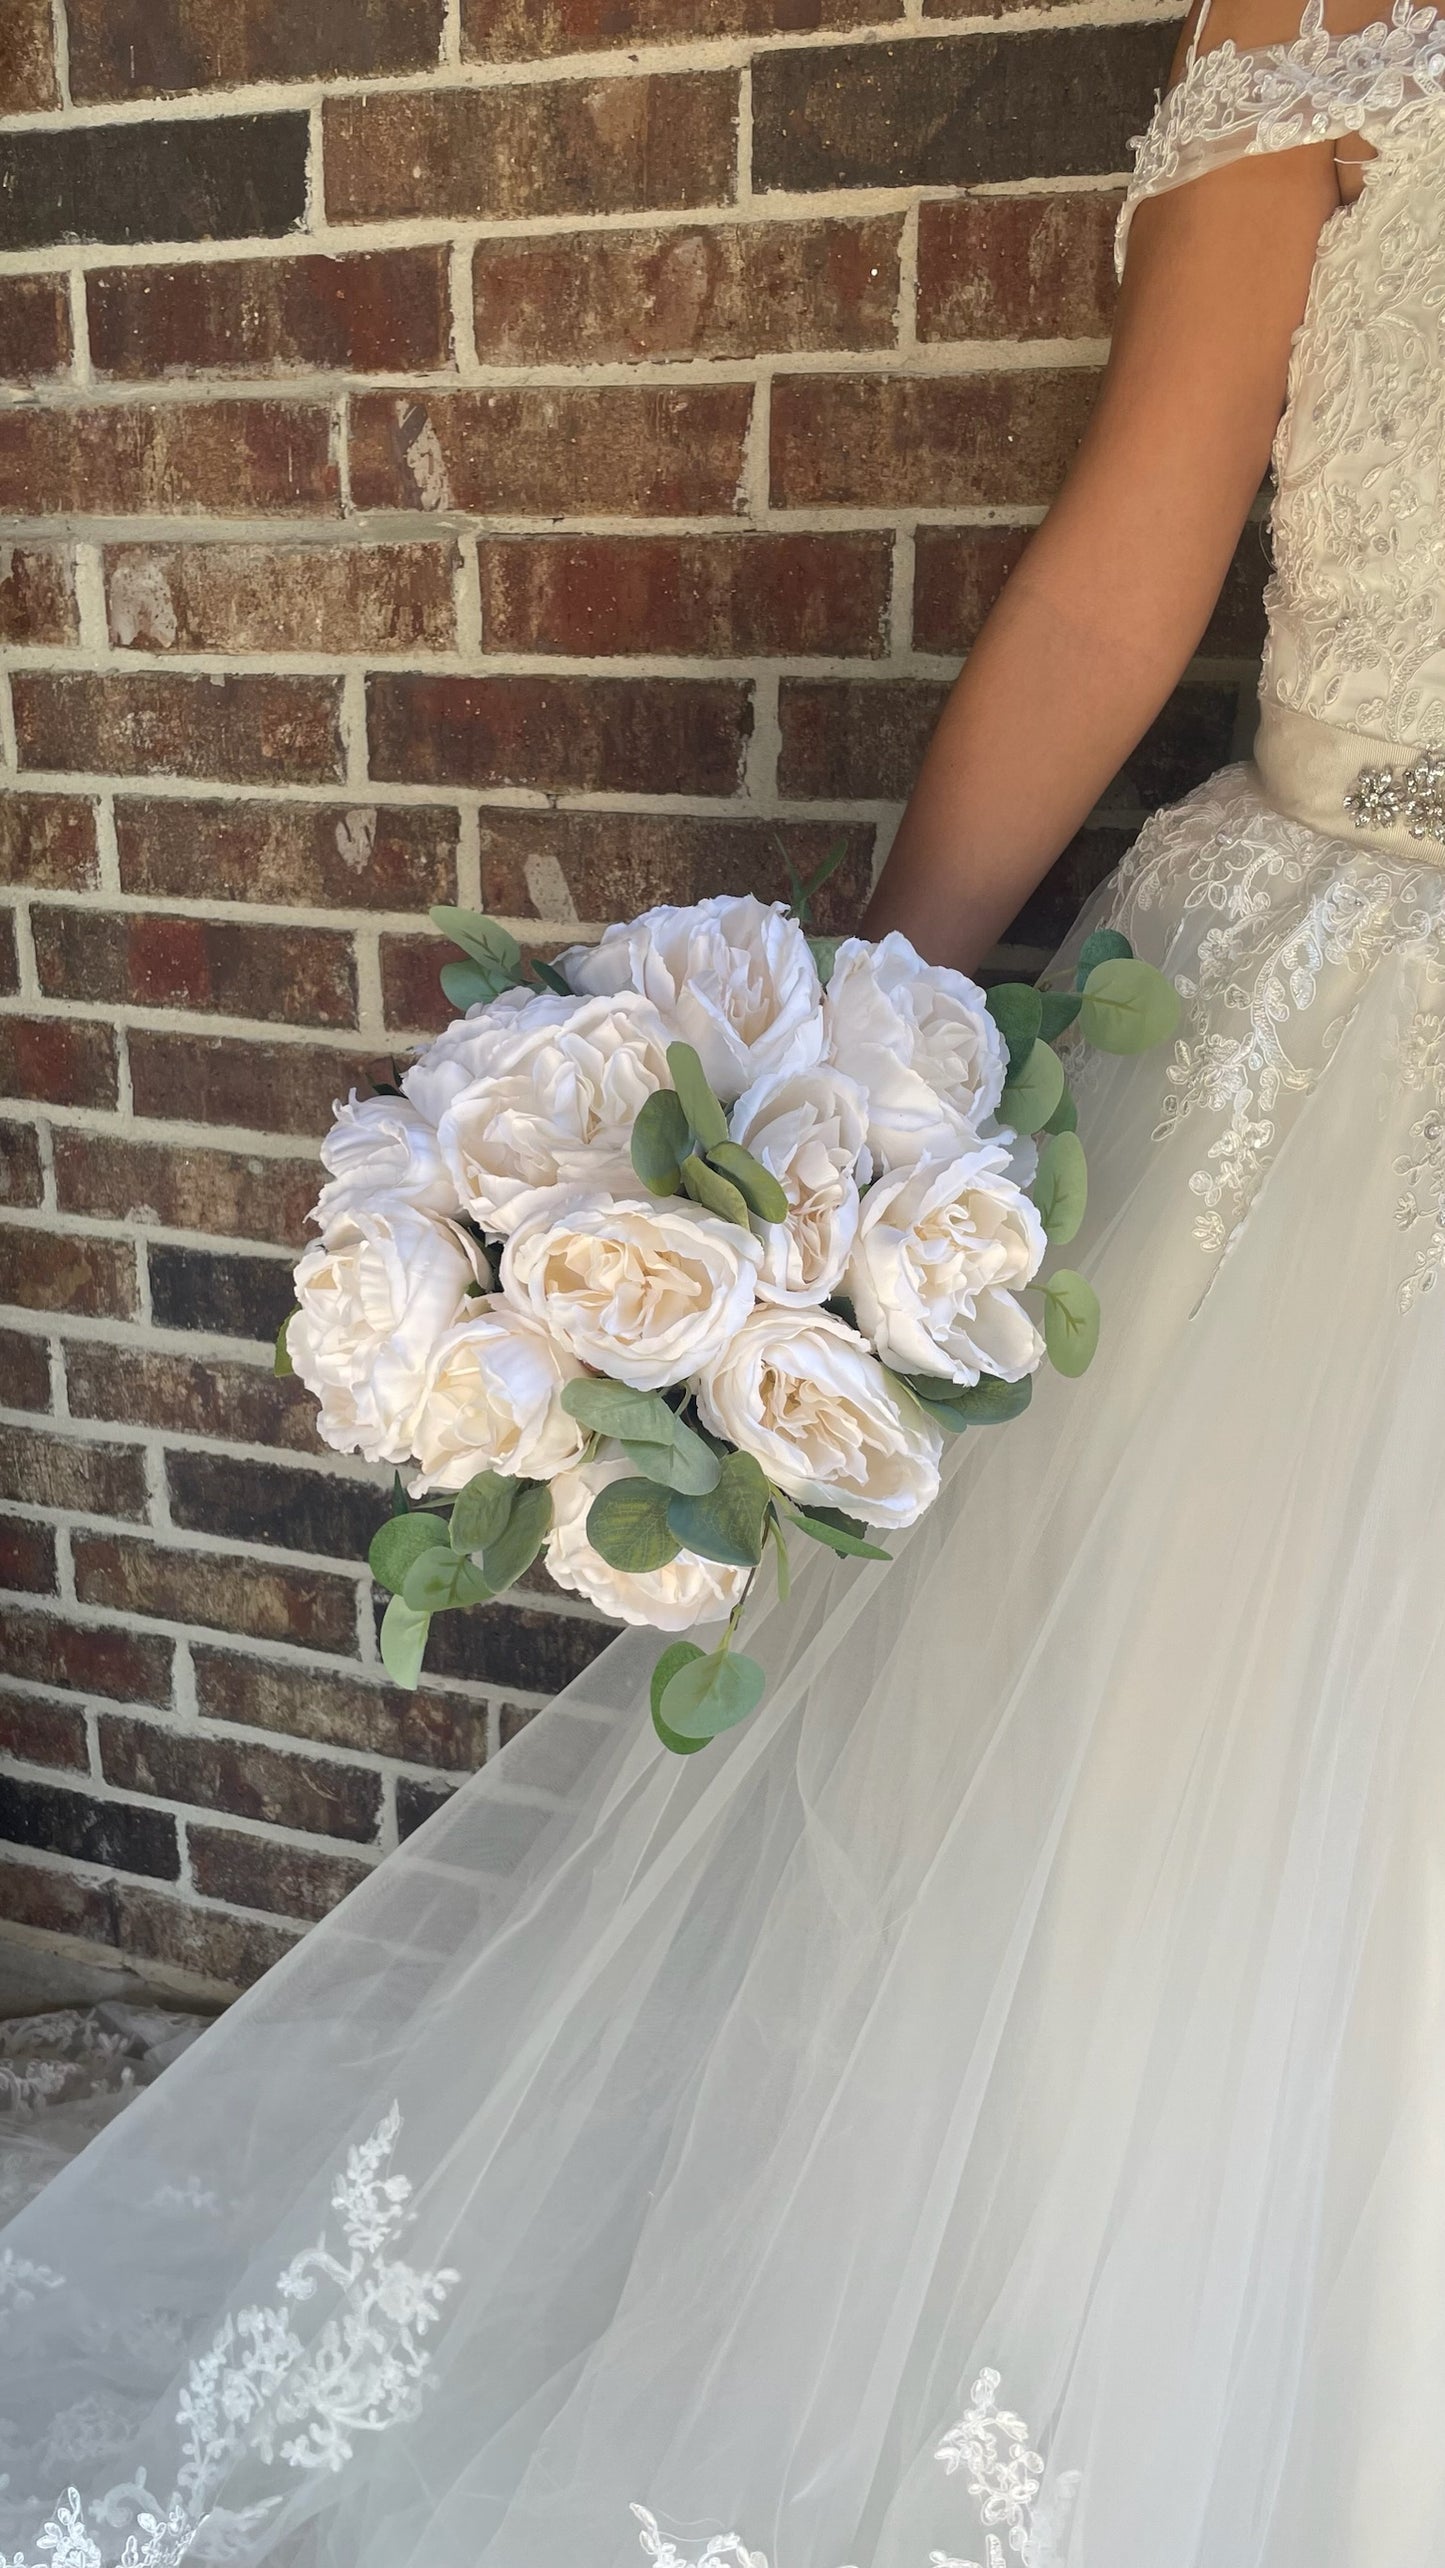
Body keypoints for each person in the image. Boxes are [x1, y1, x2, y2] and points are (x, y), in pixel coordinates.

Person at [4, 1, 1445, 2559]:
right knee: (1175, 1822)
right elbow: (1134, 573)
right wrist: (832, 1100)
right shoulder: (1347, 31)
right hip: (1332, 1014)